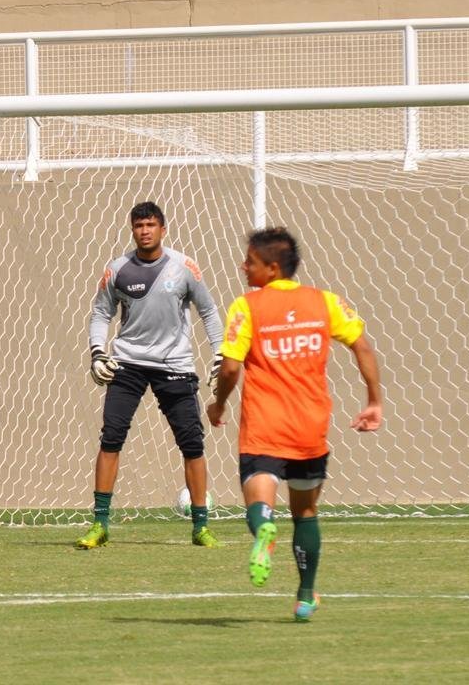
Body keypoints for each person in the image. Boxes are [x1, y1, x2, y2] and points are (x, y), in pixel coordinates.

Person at [206, 227, 382, 622]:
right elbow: (362, 346)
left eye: (249, 260)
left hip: (264, 428)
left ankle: (263, 528)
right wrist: (374, 400)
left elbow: (231, 367)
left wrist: (218, 404)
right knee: (305, 512)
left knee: (259, 497)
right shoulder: (326, 302)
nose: (242, 265)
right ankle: (305, 596)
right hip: (310, 427)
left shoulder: (246, 306)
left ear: (271, 268)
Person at [77, 202, 225, 550]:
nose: (145, 230)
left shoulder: (184, 267)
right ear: (132, 229)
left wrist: (221, 354)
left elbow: (209, 311)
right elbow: (100, 313)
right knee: (111, 437)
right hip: (128, 363)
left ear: (163, 228)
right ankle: (100, 524)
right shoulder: (118, 270)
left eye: (151, 224)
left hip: (175, 365)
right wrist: (97, 352)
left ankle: (200, 527)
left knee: (192, 443)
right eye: (139, 225)